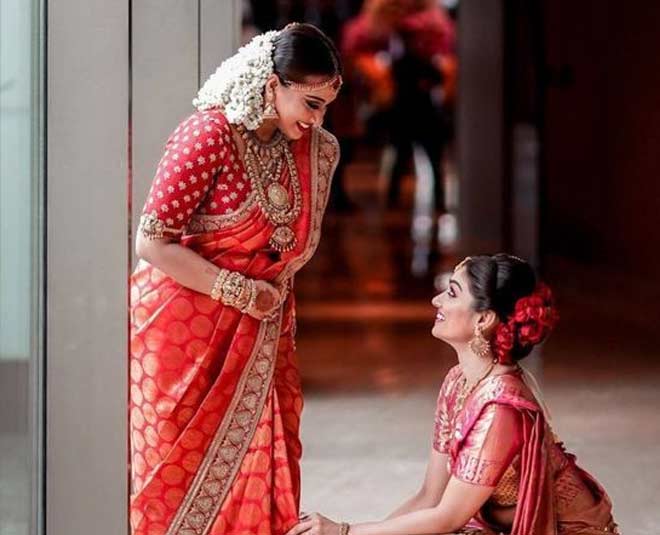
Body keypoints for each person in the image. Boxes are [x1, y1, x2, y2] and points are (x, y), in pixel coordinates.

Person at [129, 23, 342, 535]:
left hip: (262, 335)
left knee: (267, 457)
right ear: (273, 85)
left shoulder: (316, 150)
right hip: (183, 335)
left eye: (325, 106)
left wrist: (259, 301)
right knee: (173, 477)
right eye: (310, 103)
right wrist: (240, 291)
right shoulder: (208, 135)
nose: (317, 120)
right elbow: (151, 241)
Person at [287, 254, 619, 535]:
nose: (437, 300)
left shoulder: (501, 410)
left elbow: (448, 516)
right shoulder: (458, 381)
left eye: (452, 293)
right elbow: (430, 496)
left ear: (484, 320)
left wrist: (344, 531)